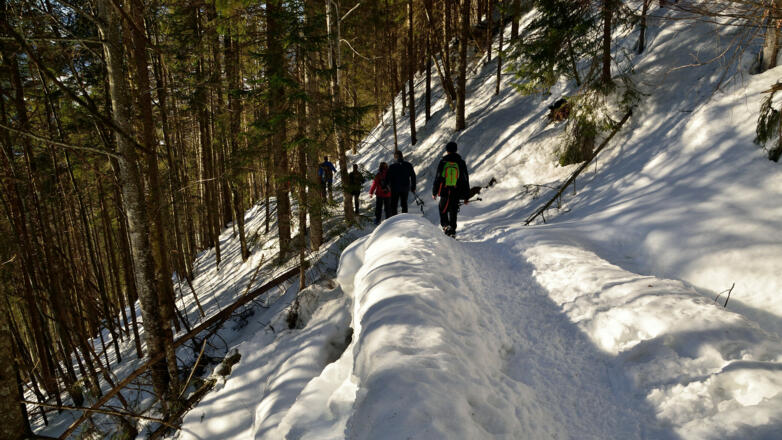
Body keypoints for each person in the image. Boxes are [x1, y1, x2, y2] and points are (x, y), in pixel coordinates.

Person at [432, 141, 469, 237]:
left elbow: (438, 177)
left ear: (447, 150)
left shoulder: (443, 162)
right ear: (456, 150)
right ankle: (452, 230)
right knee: (453, 209)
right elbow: (465, 179)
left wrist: (434, 192)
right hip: (456, 190)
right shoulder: (461, 162)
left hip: (445, 190)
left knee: (442, 208)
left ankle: (445, 226)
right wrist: (466, 196)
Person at [386, 150, 416, 216]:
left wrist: (386, 186)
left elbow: (387, 178)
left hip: (395, 188)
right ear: (402, 156)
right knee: (404, 204)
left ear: (395, 157)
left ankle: (394, 219)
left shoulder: (392, 167)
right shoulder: (408, 165)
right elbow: (413, 176)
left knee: (394, 205)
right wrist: (413, 187)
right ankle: (404, 217)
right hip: (405, 187)